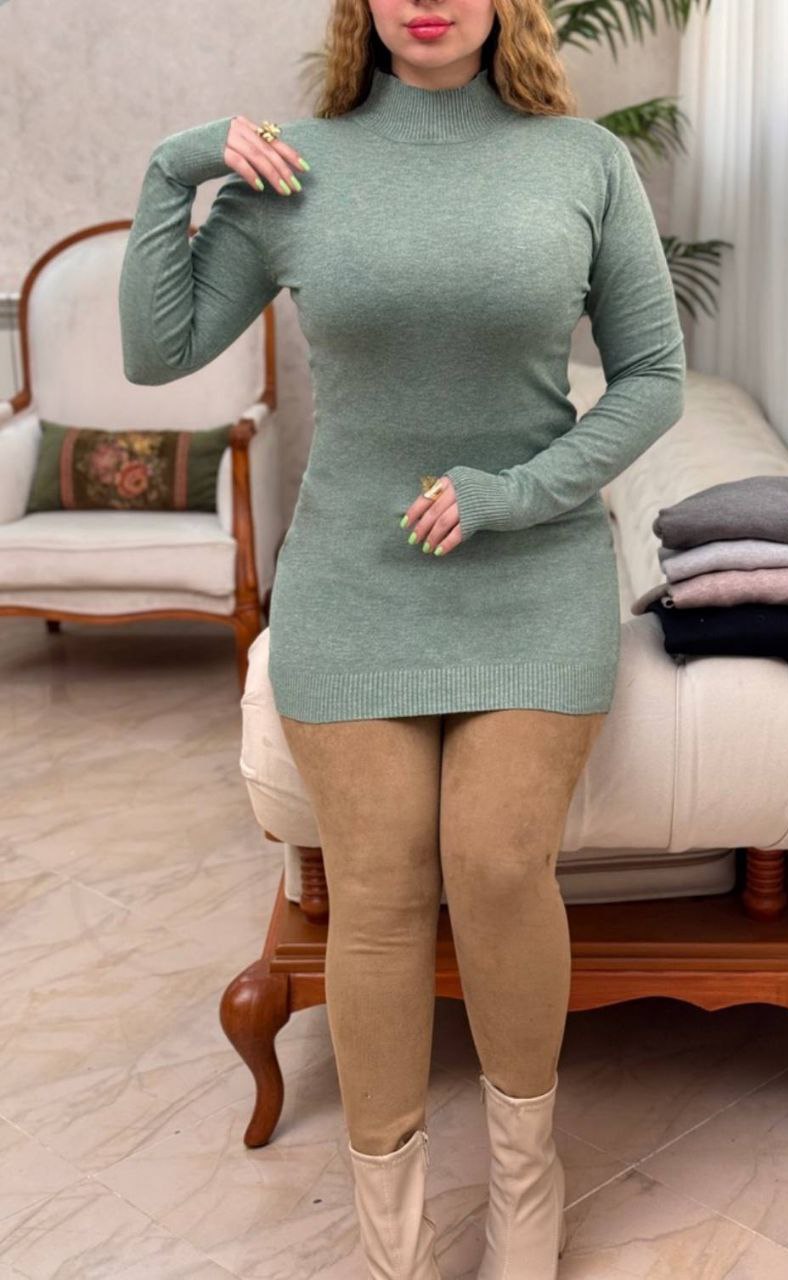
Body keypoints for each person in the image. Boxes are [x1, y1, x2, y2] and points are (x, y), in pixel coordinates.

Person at [117, 0, 686, 1270]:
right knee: (374, 892)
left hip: (531, 568)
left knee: (496, 863)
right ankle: (392, 1233)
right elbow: (158, 353)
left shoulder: (583, 161)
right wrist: (173, 169)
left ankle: (525, 1184)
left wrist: (515, 491)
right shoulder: (300, 166)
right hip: (353, 579)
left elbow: (655, 375)